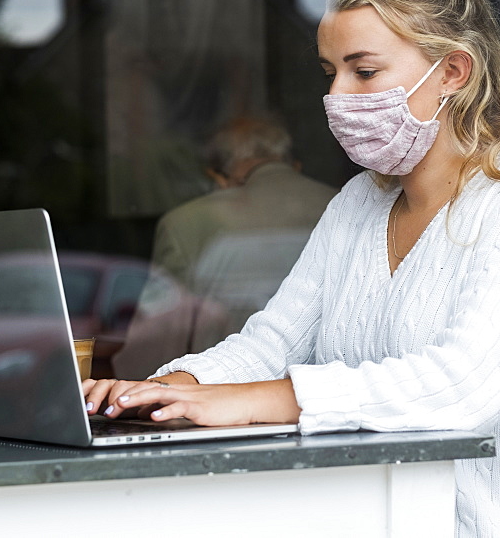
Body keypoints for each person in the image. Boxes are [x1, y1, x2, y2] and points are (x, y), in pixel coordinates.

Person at [84, 0, 500, 537]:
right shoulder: (361, 201)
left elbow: (461, 387)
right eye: (330, 72)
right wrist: (168, 389)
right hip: (370, 518)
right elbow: (271, 343)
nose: (336, 96)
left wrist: (261, 399)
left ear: (453, 72)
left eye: (363, 71)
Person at [113, 116, 337, 378]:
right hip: (327, 393)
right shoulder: (347, 205)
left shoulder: (184, 222)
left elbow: (159, 341)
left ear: (217, 178)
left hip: (215, 392)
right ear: (295, 166)